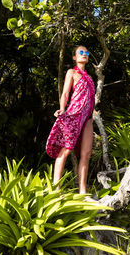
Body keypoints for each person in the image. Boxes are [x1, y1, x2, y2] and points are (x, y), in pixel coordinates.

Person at [46, 45, 96, 198]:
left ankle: (82, 192)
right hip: (74, 114)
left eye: (86, 52)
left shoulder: (89, 77)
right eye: (81, 52)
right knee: (66, 150)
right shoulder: (72, 72)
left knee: (86, 154)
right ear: (74, 57)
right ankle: (56, 189)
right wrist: (62, 109)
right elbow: (66, 93)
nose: (84, 54)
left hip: (87, 118)